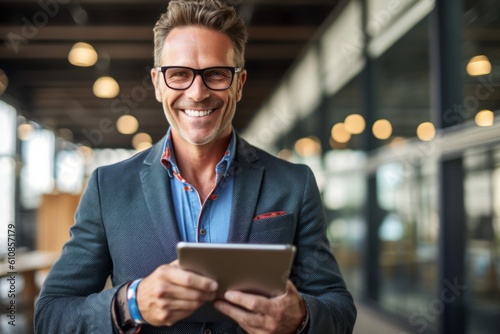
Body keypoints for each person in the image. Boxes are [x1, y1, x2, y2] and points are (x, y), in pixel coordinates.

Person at [34, 0, 356, 333]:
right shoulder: (108, 187)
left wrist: (301, 317)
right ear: (158, 84)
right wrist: (131, 303)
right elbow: (51, 315)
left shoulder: (294, 183)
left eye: (216, 74)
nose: (197, 93)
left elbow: (338, 307)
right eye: (179, 75)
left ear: (240, 83)